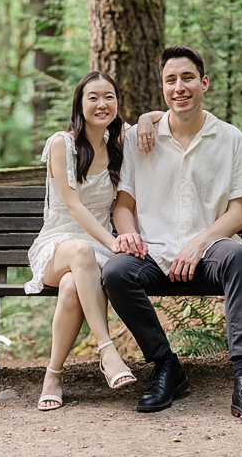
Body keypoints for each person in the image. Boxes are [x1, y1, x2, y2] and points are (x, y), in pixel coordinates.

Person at [100, 45, 242, 425]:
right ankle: (166, 366)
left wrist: (199, 242)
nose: (180, 87)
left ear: (204, 83)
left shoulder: (231, 139)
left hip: (209, 254)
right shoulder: (139, 140)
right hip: (155, 254)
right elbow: (123, 205)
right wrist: (128, 235)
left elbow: (237, 213)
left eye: (188, 78)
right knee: (114, 271)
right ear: (163, 88)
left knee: (239, 258)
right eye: (171, 80)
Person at [26, 72, 161, 411]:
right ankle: (107, 351)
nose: (102, 104)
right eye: (93, 97)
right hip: (58, 245)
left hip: (93, 251)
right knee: (81, 251)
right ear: (80, 103)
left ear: (117, 102)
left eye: (109, 97)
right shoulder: (63, 143)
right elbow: (73, 205)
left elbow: (165, 116)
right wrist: (113, 243)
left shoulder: (120, 142)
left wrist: (146, 118)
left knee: (74, 286)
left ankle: (53, 375)